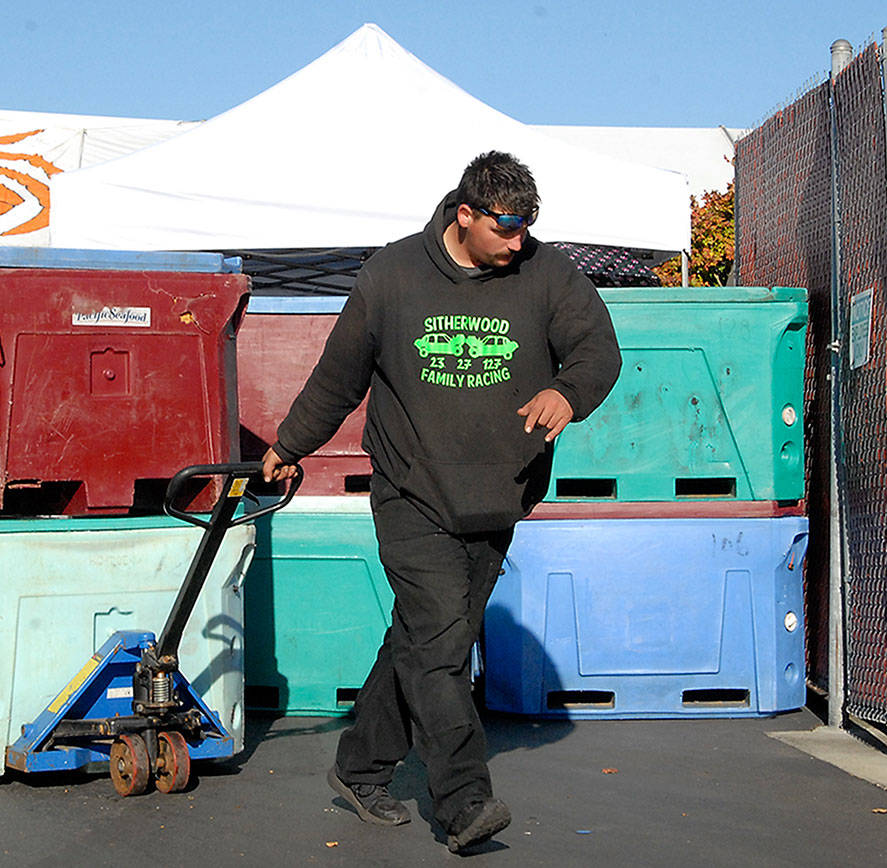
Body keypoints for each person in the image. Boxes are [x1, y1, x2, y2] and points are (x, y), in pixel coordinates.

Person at [261, 151, 621, 853]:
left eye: (529, 226)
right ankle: (463, 802)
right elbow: (339, 378)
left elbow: (597, 349)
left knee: (428, 641)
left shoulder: (545, 274)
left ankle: (359, 766)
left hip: (498, 496)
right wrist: (289, 445)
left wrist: (567, 393)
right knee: (440, 651)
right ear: (466, 212)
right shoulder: (392, 275)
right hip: (411, 492)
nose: (519, 242)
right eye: (508, 227)